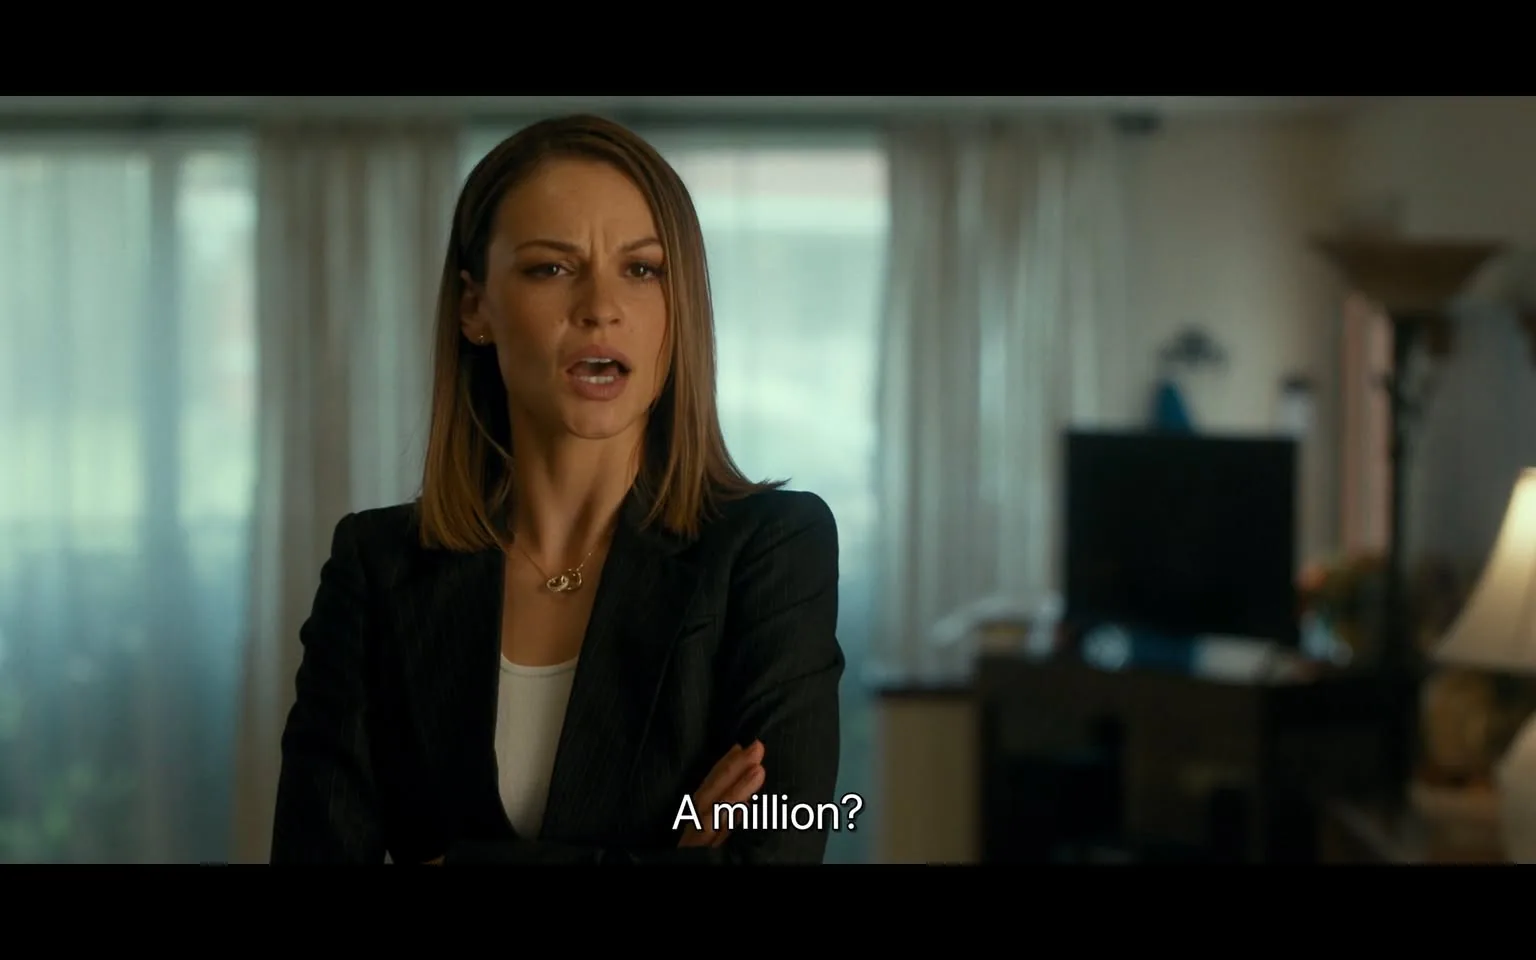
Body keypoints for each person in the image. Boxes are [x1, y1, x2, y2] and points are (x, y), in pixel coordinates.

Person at [269, 115, 845, 864]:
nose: (600, 306)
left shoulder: (772, 548)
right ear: (476, 308)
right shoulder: (375, 566)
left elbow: (778, 849)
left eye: (641, 269)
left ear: (680, 309)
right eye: (551, 268)